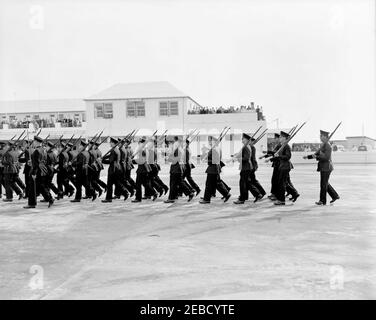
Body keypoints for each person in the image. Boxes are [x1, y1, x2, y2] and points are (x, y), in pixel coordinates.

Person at [304, 130, 340, 205]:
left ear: (326, 137)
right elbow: (316, 154)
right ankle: (335, 196)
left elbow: (326, 157)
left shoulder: (328, 146)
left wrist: (317, 156)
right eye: (320, 136)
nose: (320, 137)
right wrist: (308, 157)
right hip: (324, 167)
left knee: (323, 184)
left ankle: (322, 201)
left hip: (327, 167)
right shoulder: (323, 145)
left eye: (321, 136)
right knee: (325, 183)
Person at [24, 136, 54, 208]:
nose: (33, 143)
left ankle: (32, 204)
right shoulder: (44, 150)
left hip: (37, 171)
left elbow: (36, 164)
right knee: (41, 187)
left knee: (32, 188)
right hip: (43, 170)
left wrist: (34, 173)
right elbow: (42, 161)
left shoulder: (36, 151)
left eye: (34, 141)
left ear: (37, 142)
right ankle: (50, 199)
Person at [199, 136, 231, 204]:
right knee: (216, 183)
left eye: (210, 140)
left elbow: (213, 160)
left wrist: (206, 159)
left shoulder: (213, 149)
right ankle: (226, 194)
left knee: (209, 184)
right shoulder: (217, 148)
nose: (209, 142)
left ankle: (207, 199)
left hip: (213, 168)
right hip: (216, 168)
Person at [164, 136, 194, 203]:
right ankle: (189, 193)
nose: (169, 143)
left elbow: (174, 159)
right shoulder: (179, 148)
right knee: (180, 182)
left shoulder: (176, 149)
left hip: (175, 168)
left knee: (173, 184)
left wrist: (168, 158)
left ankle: (171, 198)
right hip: (179, 168)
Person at [270, 131, 294, 206]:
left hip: (285, 166)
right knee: (280, 183)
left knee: (282, 183)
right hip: (281, 166)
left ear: (284, 138)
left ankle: (281, 200)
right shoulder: (282, 145)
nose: (279, 138)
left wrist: (278, 156)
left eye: (281, 137)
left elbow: (288, 156)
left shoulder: (286, 146)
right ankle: (280, 199)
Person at [102, 137, 128, 203]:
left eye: (111, 142)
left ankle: (108, 198)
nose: (110, 143)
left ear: (113, 143)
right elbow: (109, 157)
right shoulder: (116, 149)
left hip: (112, 169)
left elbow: (110, 161)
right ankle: (125, 192)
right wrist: (103, 158)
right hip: (117, 168)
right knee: (117, 183)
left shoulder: (114, 150)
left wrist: (102, 161)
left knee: (109, 184)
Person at [132, 137, 157, 203]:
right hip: (143, 169)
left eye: (139, 143)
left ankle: (138, 198)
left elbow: (142, 160)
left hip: (142, 169)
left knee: (138, 184)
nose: (138, 144)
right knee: (145, 184)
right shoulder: (143, 150)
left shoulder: (143, 150)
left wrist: (132, 161)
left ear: (141, 143)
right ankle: (154, 193)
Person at [233, 133, 254, 204]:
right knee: (245, 183)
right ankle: (244, 196)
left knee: (242, 183)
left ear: (246, 139)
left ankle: (242, 199)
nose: (242, 139)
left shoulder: (246, 147)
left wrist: (237, 158)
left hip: (246, 167)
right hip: (246, 167)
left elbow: (246, 158)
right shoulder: (246, 146)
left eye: (243, 138)